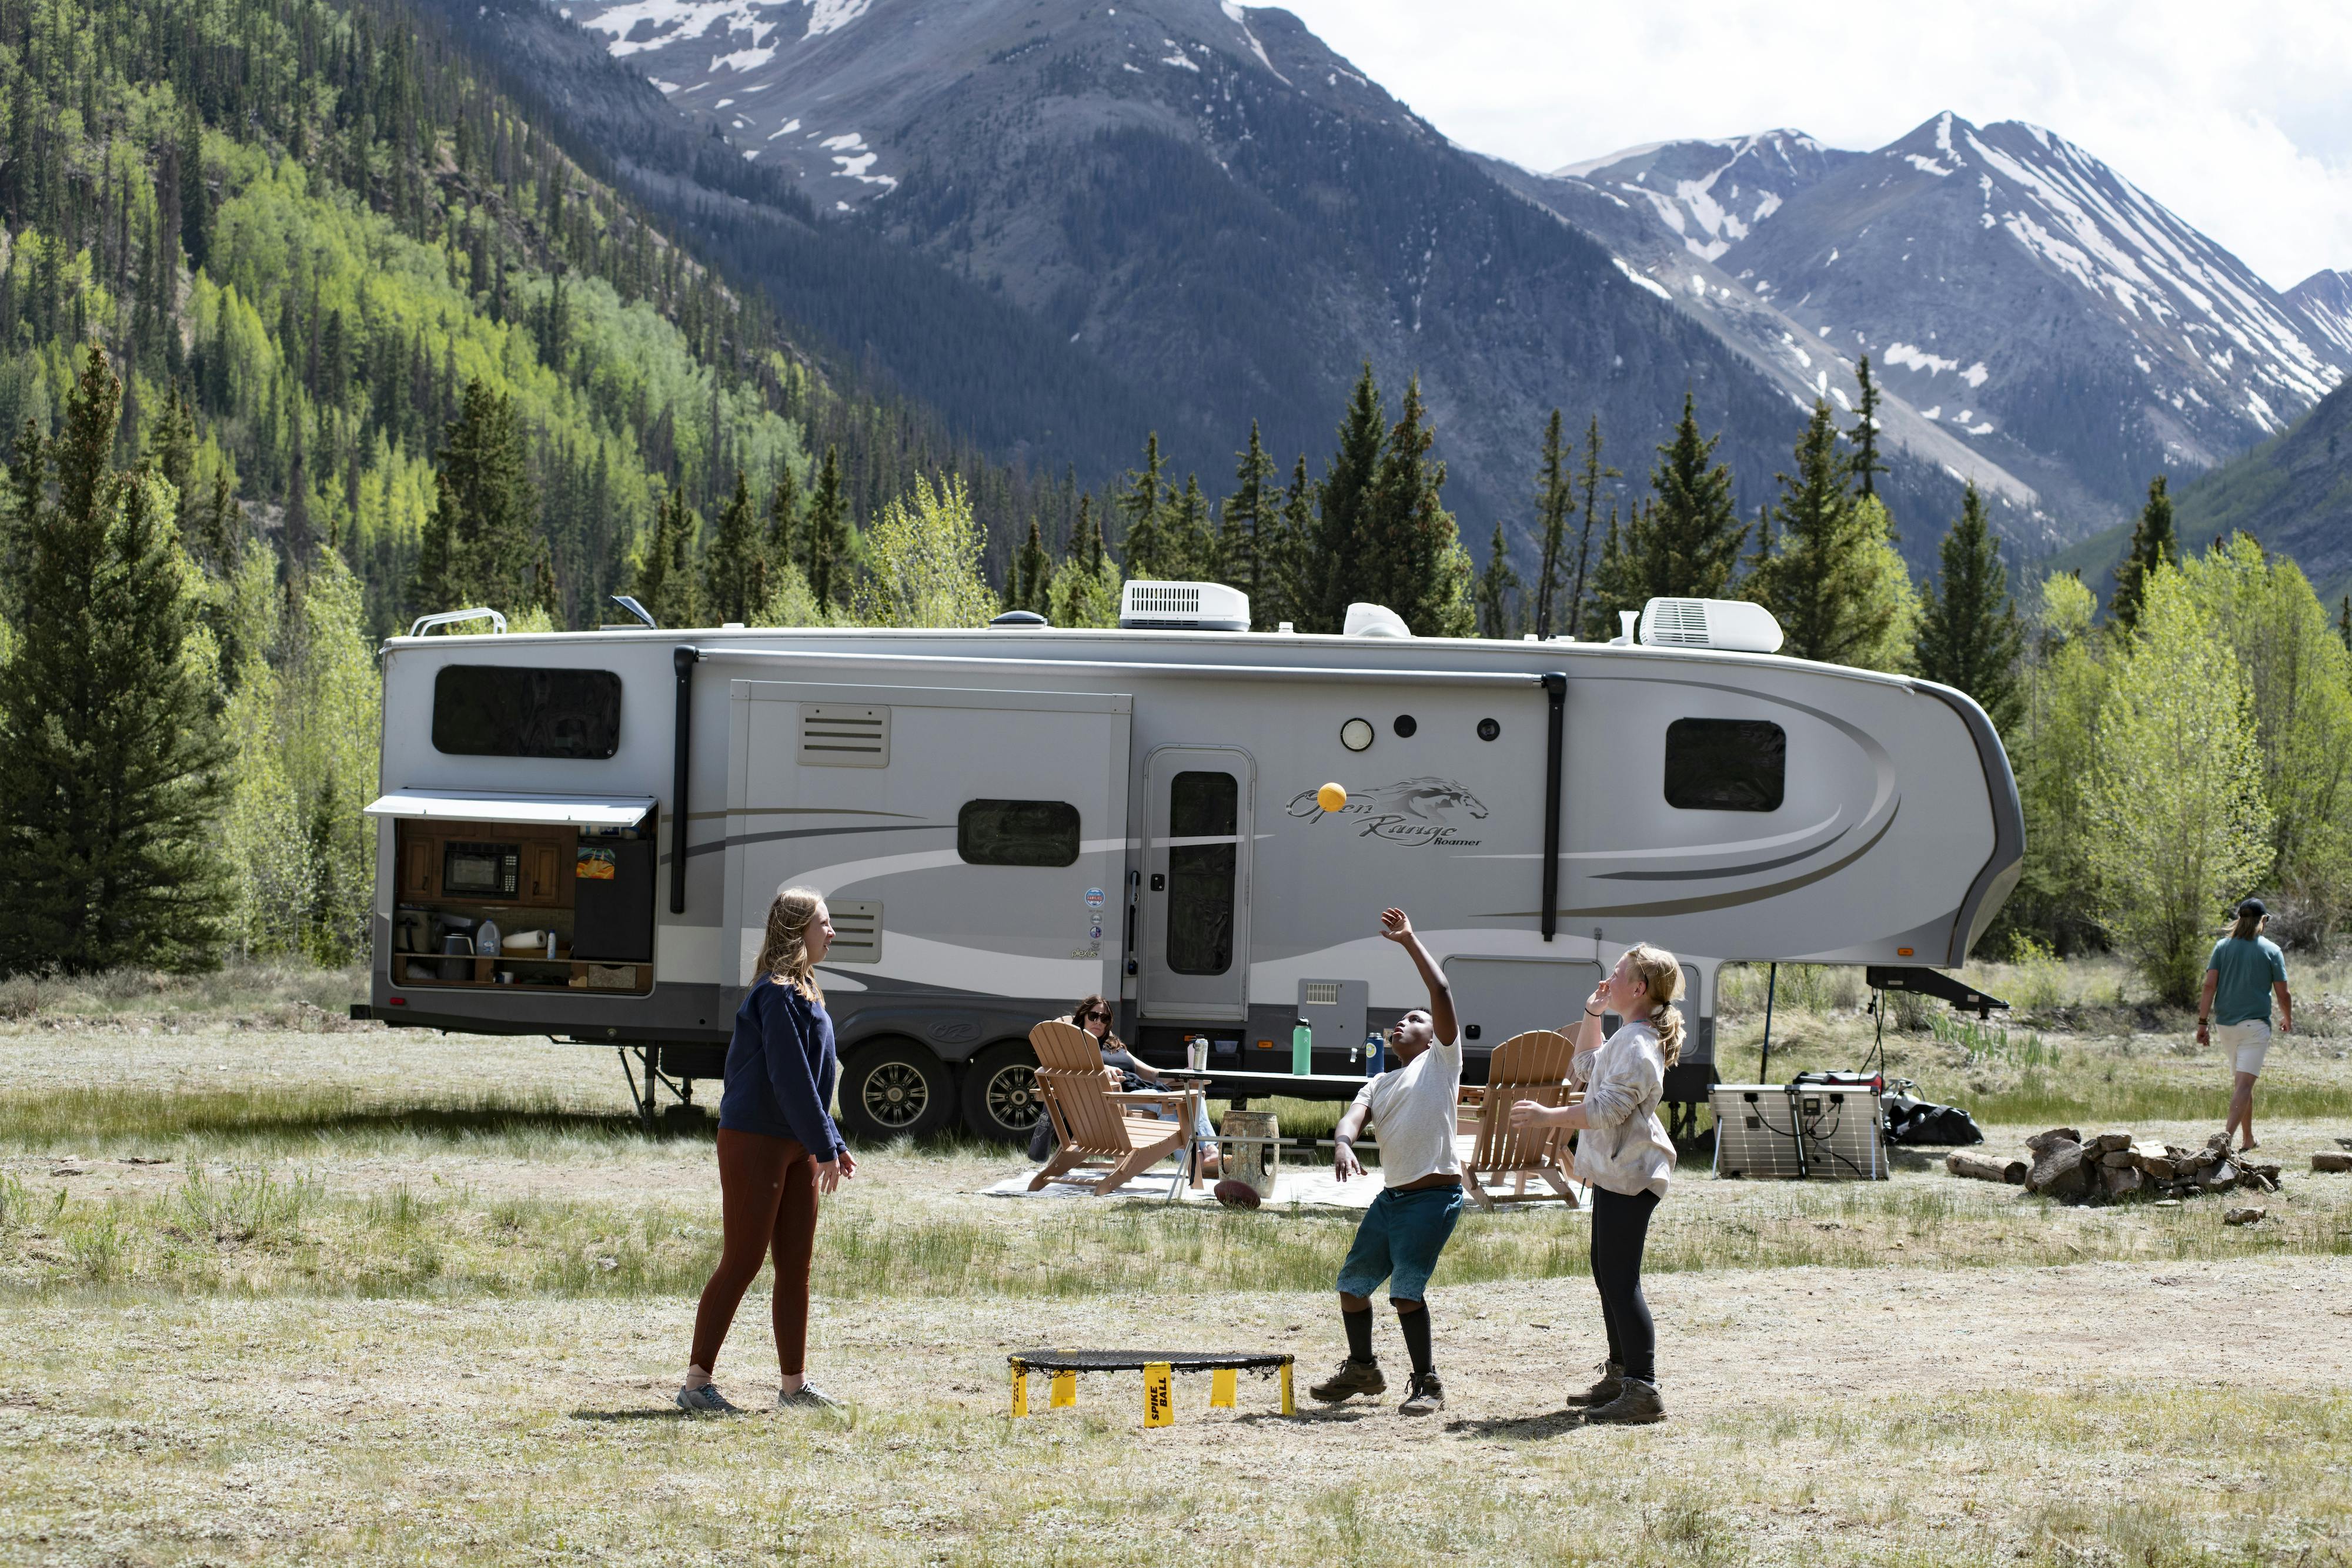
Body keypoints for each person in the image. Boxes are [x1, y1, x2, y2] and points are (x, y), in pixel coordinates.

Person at [677, 886, 856, 1413]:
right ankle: (695, 1384)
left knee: (795, 1264)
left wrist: (831, 1140)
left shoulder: (805, 989)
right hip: (755, 1137)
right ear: (797, 930)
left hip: (797, 1142)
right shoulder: (774, 992)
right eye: (824, 923)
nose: (832, 932)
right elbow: (789, 1075)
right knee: (743, 1259)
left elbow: (816, 1081)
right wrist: (822, 1142)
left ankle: (794, 1387)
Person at [1508, 944, 1682, 1425]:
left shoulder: (1640, 1044)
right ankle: (1621, 1374)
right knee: (1607, 1274)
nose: (1611, 978)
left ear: (1639, 988)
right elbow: (1585, 1065)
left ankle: (1643, 1389)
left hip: (1632, 1176)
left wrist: (1549, 1115)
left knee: (1621, 1280)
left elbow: (1606, 1109)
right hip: (1615, 1173)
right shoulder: (1628, 1035)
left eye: (1619, 973)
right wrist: (1593, 1012)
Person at [1309, 908, 1463, 1417]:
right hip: (1392, 1199)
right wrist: (1343, 1143)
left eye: (1415, 1019)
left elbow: (1440, 994)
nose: (1406, 1021)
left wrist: (1410, 941)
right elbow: (1354, 1117)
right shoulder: (1379, 1081)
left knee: (1405, 1294)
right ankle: (1363, 1368)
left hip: (1433, 1196)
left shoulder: (1442, 1063)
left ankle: (1427, 1383)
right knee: (1352, 1288)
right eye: (1401, 1018)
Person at [1053, 994, 1219, 1178]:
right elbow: (1073, 1070)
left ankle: (1208, 1151)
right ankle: (1195, 1162)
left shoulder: (1114, 1045)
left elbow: (1151, 1073)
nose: (1098, 1021)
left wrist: (1180, 1073)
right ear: (1083, 1017)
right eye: (1094, 1016)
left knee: (1194, 1094)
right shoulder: (1078, 1047)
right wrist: (1102, 1069)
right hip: (1115, 1100)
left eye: (1105, 1018)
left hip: (1140, 1092)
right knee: (1171, 1103)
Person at [2199, 897, 2293, 1154]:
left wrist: (2202, 1023)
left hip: (2225, 1026)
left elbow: (2209, 987)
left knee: (2242, 1081)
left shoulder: (2222, 947)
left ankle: (2248, 1138)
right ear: (2263, 921)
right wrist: (2287, 1017)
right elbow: (2283, 994)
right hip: (2255, 1026)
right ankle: (2223, 1142)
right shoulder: (2272, 950)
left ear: (2240, 920)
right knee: (2244, 1084)